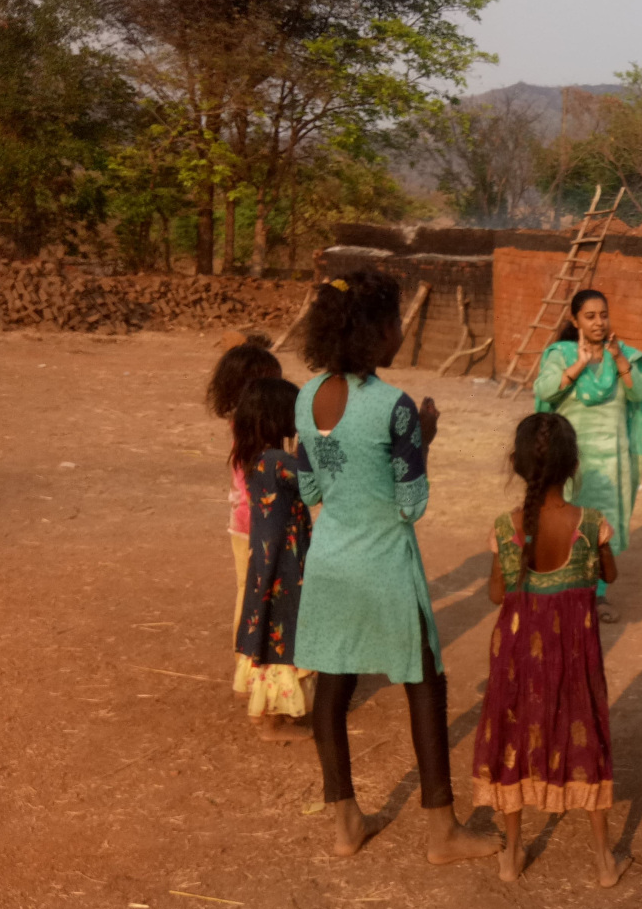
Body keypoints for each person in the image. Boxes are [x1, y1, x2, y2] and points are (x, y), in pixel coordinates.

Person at [293, 271, 497, 865]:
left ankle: (345, 823)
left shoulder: (306, 397)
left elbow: (310, 488)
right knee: (425, 682)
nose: (401, 331)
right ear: (374, 331)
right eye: (395, 321)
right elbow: (411, 505)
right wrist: (422, 440)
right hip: (384, 563)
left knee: (333, 686)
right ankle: (442, 831)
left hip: (330, 559)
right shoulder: (395, 407)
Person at [472, 411, 629, 887]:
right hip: (575, 661)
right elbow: (609, 575)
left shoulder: (506, 528)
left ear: (516, 464)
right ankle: (603, 859)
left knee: (513, 736)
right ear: (573, 464)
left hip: (517, 659)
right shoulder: (591, 524)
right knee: (585, 734)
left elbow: (496, 595)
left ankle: (512, 855)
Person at [533, 289, 642, 624]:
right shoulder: (561, 354)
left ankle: (596, 597)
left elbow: (639, 394)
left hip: (612, 461)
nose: (599, 322)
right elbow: (544, 390)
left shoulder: (622, 354)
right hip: (571, 461)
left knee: (602, 529)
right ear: (575, 320)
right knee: (566, 524)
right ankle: (563, 594)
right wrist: (579, 365)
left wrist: (620, 360)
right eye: (590, 316)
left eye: (603, 315)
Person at [230, 377, 314, 742]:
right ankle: (271, 722)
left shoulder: (257, 459)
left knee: (270, 630)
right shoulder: (279, 462)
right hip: (284, 563)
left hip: (269, 560)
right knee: (283, 632)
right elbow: (314, 484)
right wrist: (312, 441)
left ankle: (271, 712)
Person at [205, 334, 283, 654]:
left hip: (243, 521)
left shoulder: (243, 423)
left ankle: (248, 660)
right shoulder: (255, 429)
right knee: (254, 593)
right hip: (257, 522)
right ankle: (250, 659)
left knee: (248, 590)